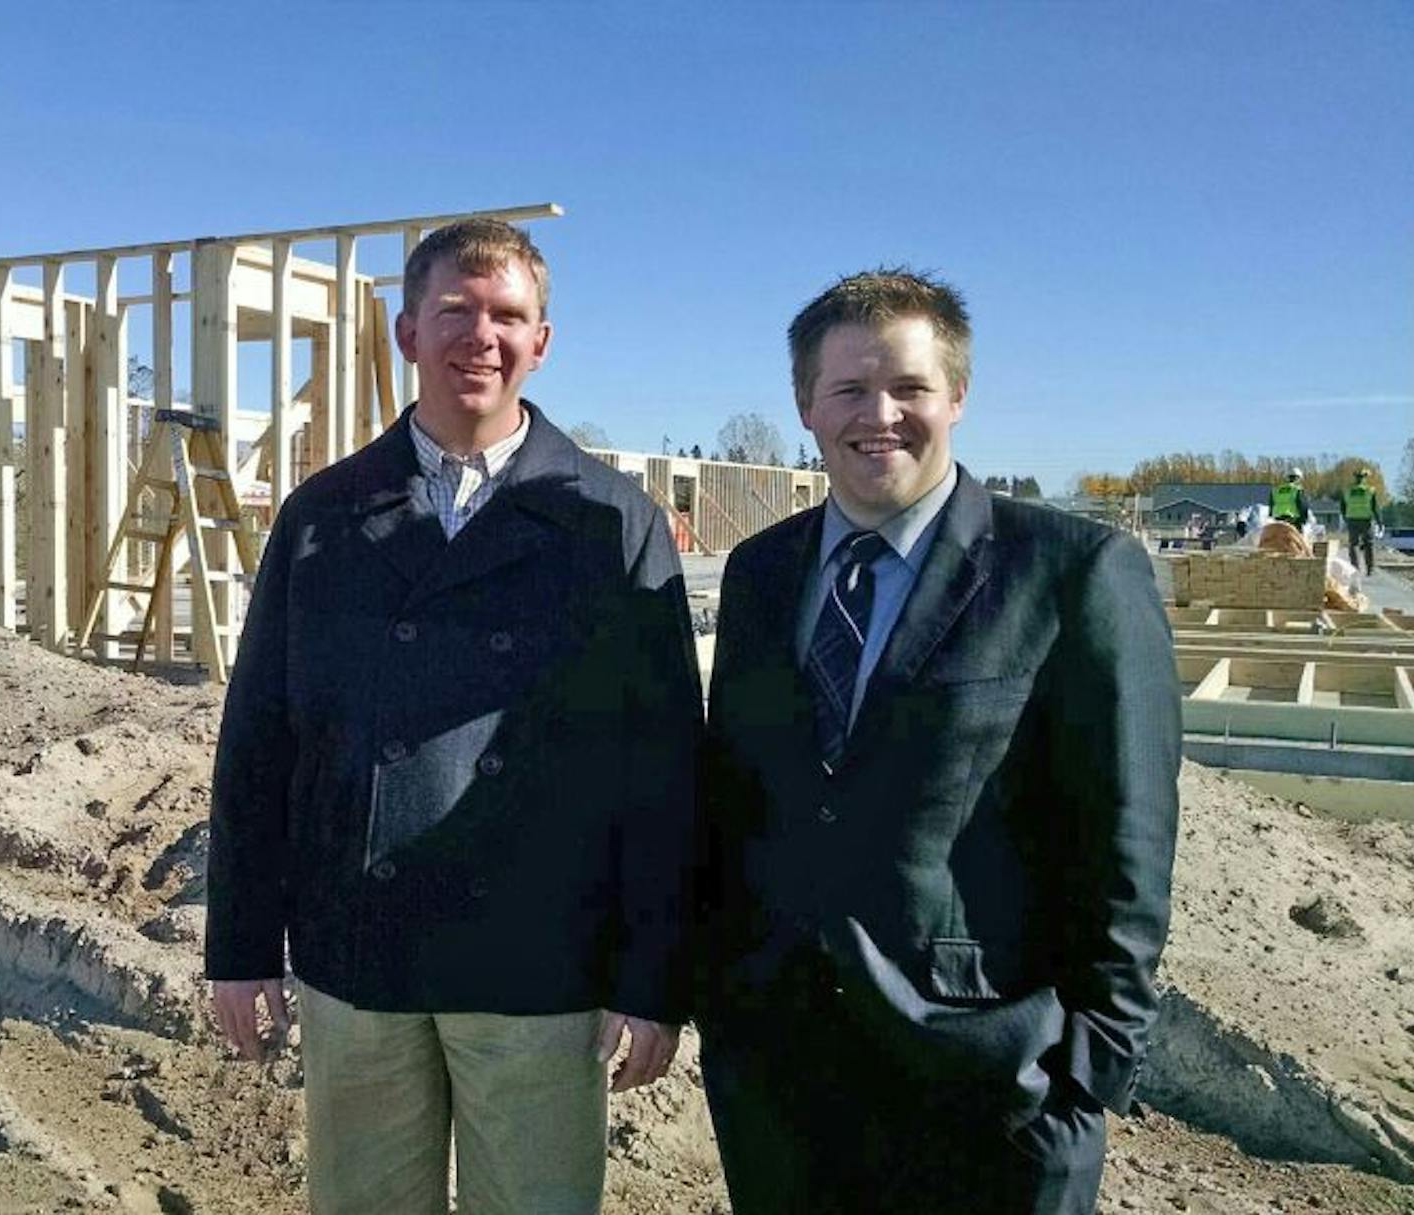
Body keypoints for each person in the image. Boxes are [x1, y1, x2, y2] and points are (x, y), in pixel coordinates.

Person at [204, 219, 702, 1214]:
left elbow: (663, 771)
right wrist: (242, 947)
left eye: (508, 315)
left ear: (542, 342)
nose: (482, 335)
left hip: (539, 964)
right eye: (455, 312)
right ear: (406, 332)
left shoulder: (611, 524)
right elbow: (261, 743)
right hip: (360, 954)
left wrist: (654, 974)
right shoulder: (324, 516)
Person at [698, 268, 1181, 1215]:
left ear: (957, 395)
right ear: (805, 404)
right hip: (782, 1080)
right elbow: (736, 801)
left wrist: (1086, 1076)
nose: (879, 414)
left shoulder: (1073, 573)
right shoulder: (760, 576)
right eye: (847, 389)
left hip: (992, 1087)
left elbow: (1128, 837)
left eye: (909, 388)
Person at [1343, 468, 1379, 575]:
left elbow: (1342, 506)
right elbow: (1375, 507)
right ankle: (1370, 569)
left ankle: (1355, 569)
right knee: (1369, 544)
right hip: (1366, 520)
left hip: (1352, 519)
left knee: (1353, 544)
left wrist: (1346, 518)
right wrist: (1379, 521)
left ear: (1355, 478)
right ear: (1365, 478)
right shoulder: (1370, 490)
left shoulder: (1348, 490)